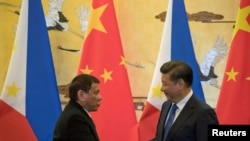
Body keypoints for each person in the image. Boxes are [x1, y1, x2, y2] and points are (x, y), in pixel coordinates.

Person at [151, 60, 218, 141]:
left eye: (164, 84)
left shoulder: (203, 113)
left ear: (180, 84)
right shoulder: (166, 105)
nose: (162, 89)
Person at [53, 74, 102, 141]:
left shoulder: (74, 112)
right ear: (81, 95)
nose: (100, 97)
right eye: (96, 93)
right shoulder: (76, 118)